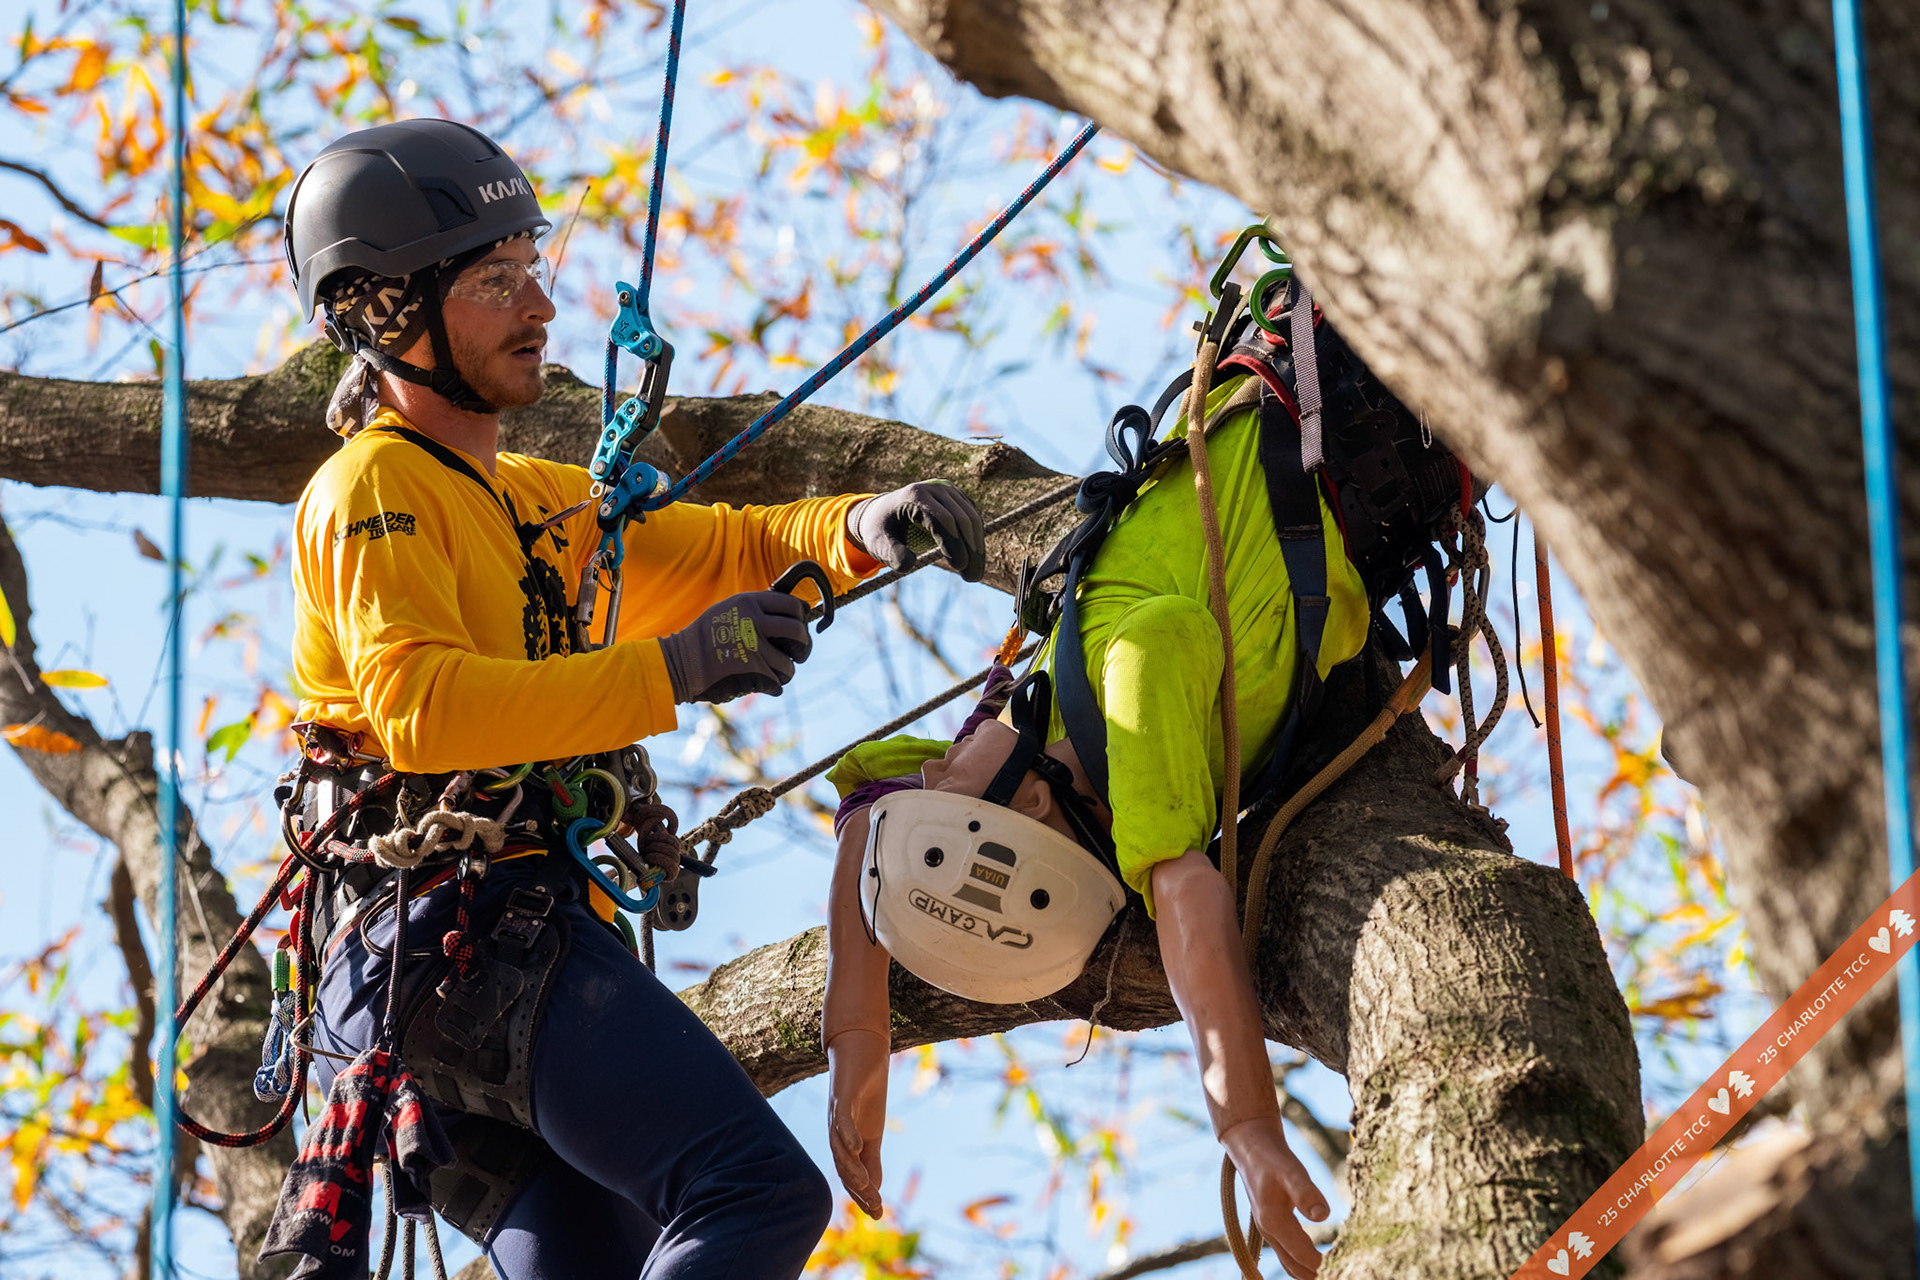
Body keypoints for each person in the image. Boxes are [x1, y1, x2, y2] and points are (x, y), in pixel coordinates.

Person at [275, 118, 987, 1280]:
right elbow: (422, 709)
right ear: (383, 312)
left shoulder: (537, 504)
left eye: (534, 267)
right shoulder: (374, 483)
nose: (540, 305)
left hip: (430, 980)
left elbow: (735, 545)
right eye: (496, 279)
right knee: (752, 1190)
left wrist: (865, 527)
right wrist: (676, 670)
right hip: (453, 941)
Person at [820, 369, 1371, 1280]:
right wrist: (1244, 1122)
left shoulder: (1045, 719)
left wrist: (859, 1040)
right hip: (1331, 389)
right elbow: (1182, 887)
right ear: (1029, 806)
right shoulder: (1131, 697)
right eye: (945, 785)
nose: (925, 766)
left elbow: (862, 793)